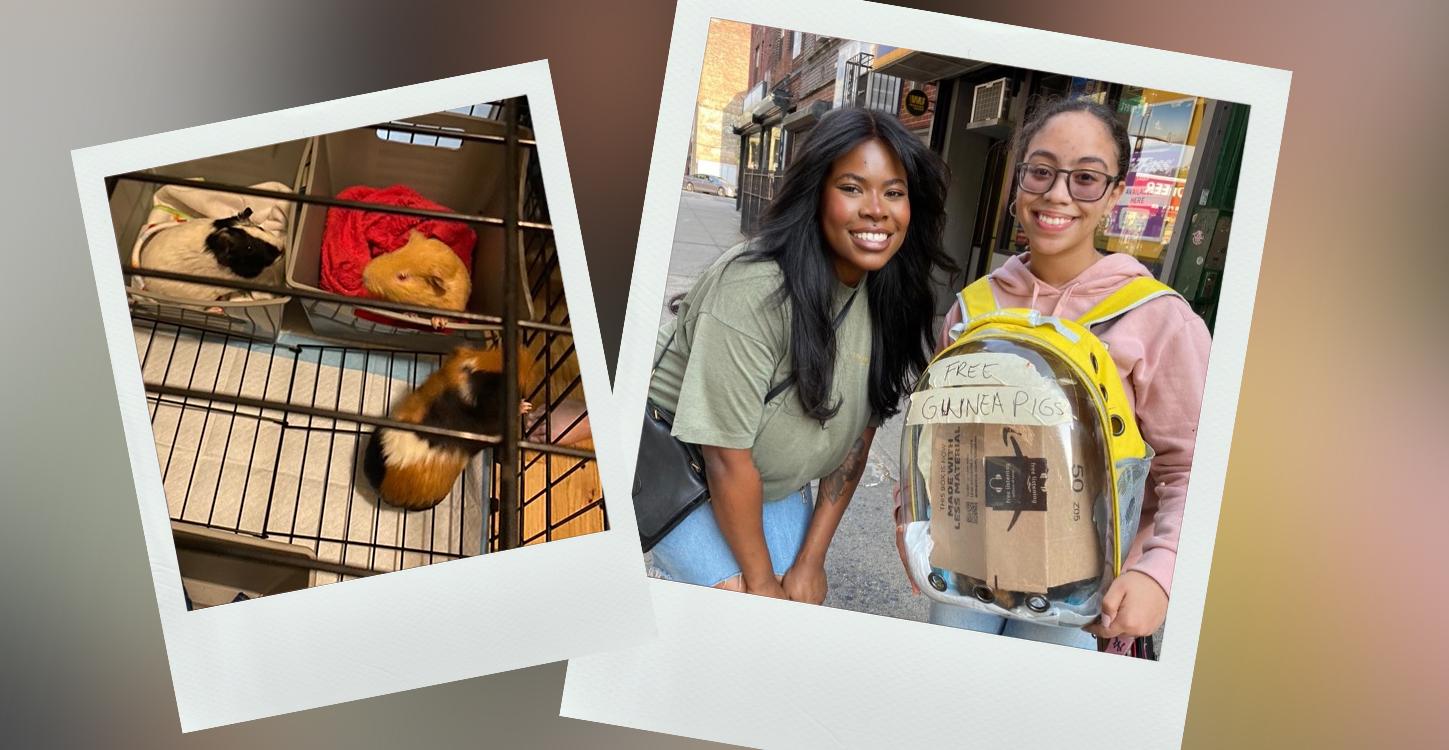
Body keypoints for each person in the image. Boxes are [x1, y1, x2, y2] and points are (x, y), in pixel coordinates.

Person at [896, 97, 1212, 650]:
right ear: (1018, 182)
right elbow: (934, 437)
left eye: (1086, 178)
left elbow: (1195, 468)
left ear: (1115, 193)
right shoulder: (974, 309)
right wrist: (911, 523)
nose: (1057, 194)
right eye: (1040, 171)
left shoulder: (1158, 319)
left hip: (1089, 597)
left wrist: (1159, 570)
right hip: (968, 569)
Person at [647, 107, 955, 603]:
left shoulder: (892, 293)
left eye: (894, 192)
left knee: (803, 599)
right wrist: (764, 583)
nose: (877, 209)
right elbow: (725, 456)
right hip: (683, 467)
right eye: (852, 188)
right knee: (744, 602)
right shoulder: (754, 286)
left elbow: (858, 436)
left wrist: (811, 561)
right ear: (816, 195)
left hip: (771, 483)